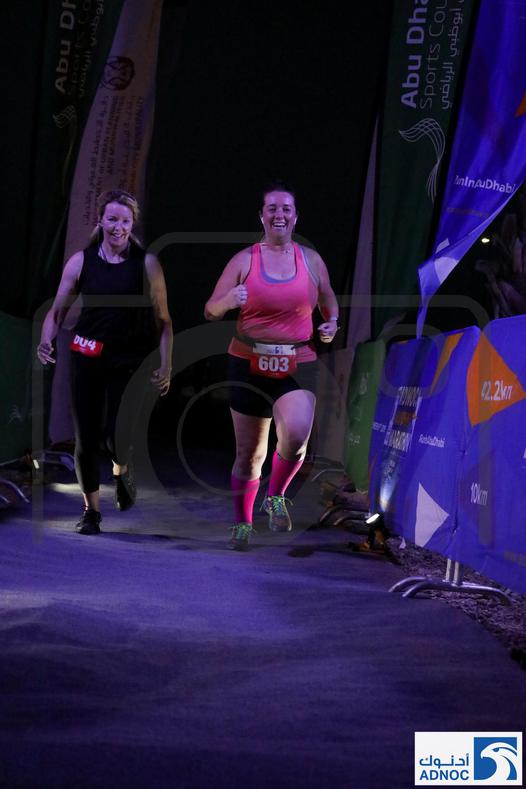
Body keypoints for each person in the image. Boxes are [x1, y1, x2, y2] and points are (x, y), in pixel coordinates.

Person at [204, 180, 339, 550]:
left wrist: (331, 323)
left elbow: (328, 299)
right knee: (250, 456)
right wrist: (228, 301)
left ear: (296, 217)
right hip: (248, 362)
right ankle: (242, 524)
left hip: (297, 360)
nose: (279, 214)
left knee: (296, 435)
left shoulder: (311, 260)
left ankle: (276, 495)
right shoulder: (244, 260)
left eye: (286, 209)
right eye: (272, 208)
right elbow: (211, 309)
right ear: (262, 216)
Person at [37, 189, 173, 535]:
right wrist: (46, 338)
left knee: (118, 437)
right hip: (87, 356)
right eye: (112, 219)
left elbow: (164, 321)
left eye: (124, 221)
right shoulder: (81, 261)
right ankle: (91, 512)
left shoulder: (146, 264)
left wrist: (167, 363)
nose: (118, 227)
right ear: (101, 221)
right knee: (86, 439)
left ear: (132, 224)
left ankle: (122, 468)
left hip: (129, 360)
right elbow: (57, 310)